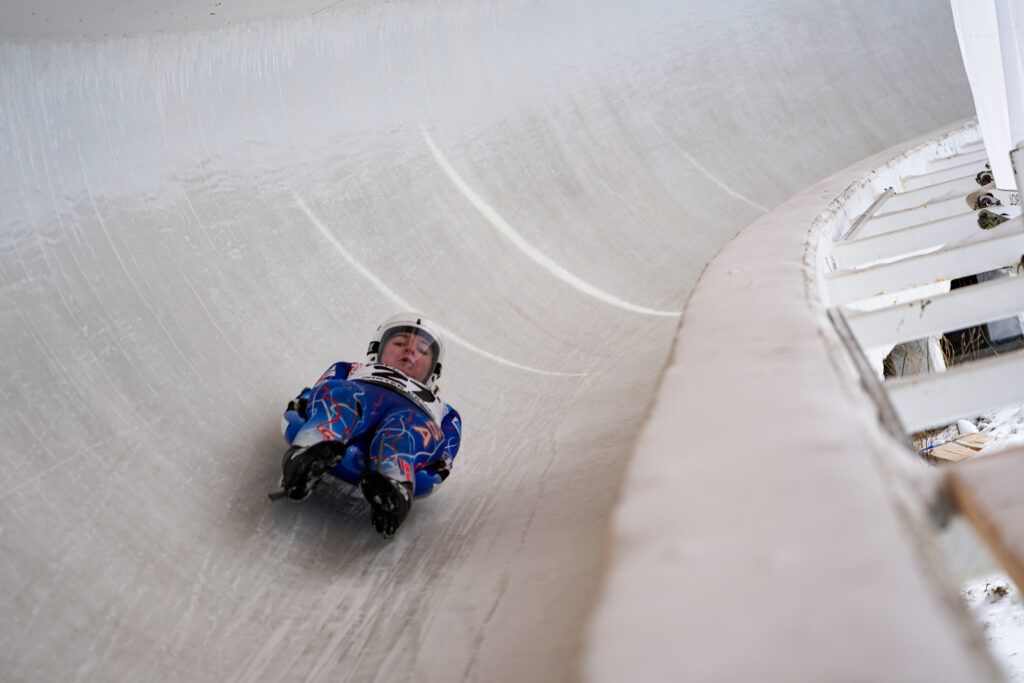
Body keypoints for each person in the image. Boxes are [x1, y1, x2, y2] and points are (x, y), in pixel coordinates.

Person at [273, 312, 462, 537]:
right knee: (342, 396)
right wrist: (303, 404)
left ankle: (394, 487)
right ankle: (309, 453)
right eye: (400, 343)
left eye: (422, 350)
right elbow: (314, 393)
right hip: (361, 395)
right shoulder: (351, 369)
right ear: (377, 350)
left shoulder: (445, 411)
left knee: (405, 432)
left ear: (433, 370)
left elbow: (445, 454)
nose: (410, 350)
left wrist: (438, 469)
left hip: (414, 415)